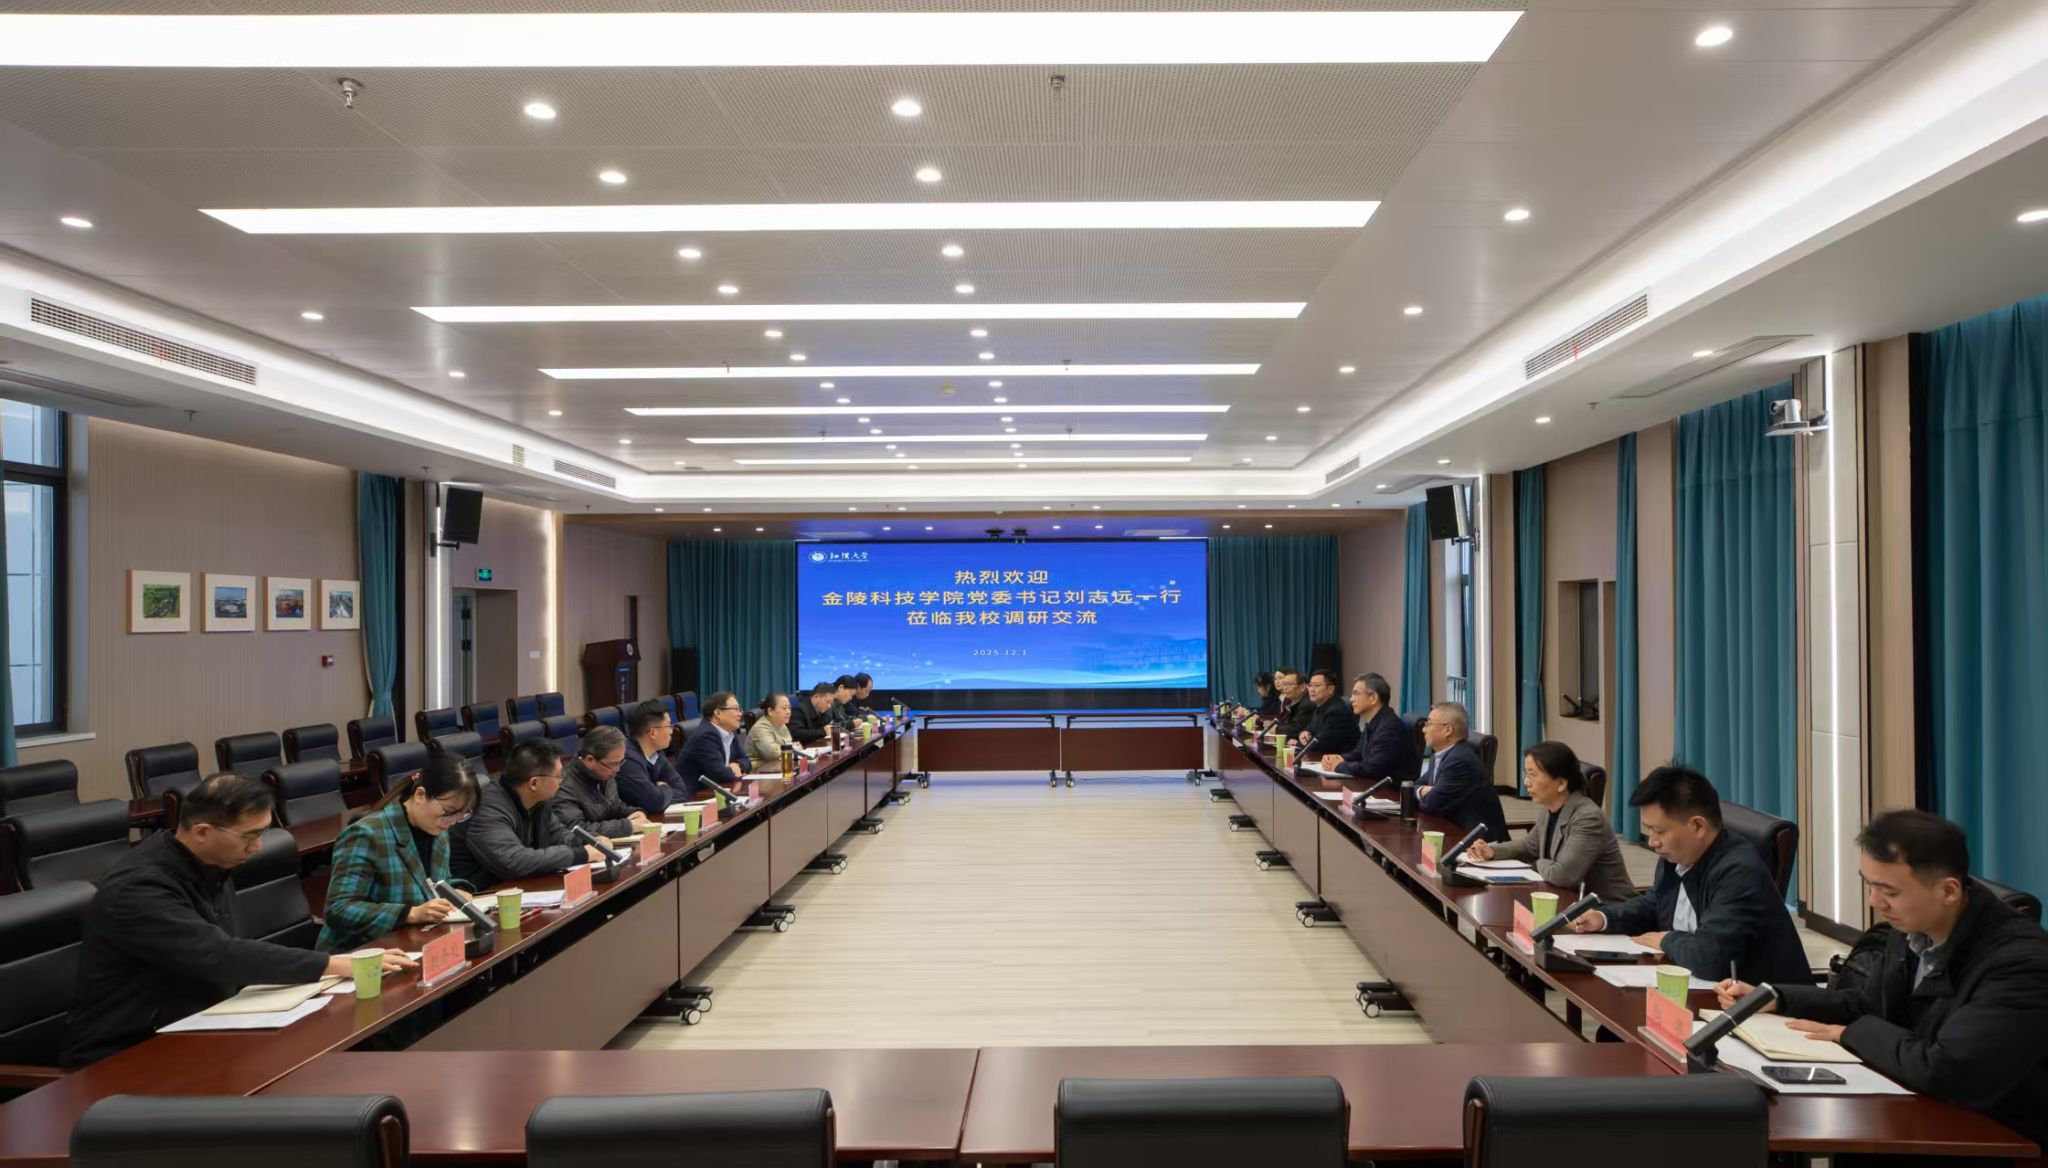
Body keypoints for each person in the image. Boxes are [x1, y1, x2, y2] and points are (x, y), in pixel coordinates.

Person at [1716, 811, 2048, 1150]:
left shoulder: (2021, 963)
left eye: (1888, 891)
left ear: (1948, 890)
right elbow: (1868, 1004)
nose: (1874, 902)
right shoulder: (1912, 927)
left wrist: (1849, 1034)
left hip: (1997, 1137)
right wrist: (1776, 998)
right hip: (1914, 1107)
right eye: (1869, 884)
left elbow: (1947, 1070)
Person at [62, 774, 415, 1067]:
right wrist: (335, 964)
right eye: (249, 836)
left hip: (202, 1022)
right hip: (128, 1051)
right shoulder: (139, 887)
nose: (258, 847)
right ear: (202, 831)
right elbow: (217, 954)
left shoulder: (211, 863)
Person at [1569, 764, 1810, 986]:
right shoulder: (1677, 856)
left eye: (1658, 831)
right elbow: (1654, 905)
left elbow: (1711, 957)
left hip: (1759, 1003)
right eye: (1649, 830)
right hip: (1696, 984)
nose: (1652, 841)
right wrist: (1603, 917)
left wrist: (1667, 941)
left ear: (1698, 826)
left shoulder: (1739, 872)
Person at [317, 753, 482, 953]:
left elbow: (430, 883)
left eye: (461, 815)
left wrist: (455, 891)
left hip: (411, 943)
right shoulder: (367, 834)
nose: (452, 822)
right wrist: (410, 913)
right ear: (420, 795)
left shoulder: (438, 831)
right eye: (448, 811)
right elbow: (338, 909)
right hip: (359, 953)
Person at [1465, 741, 1635, 904]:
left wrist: (1538, 863)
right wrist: (1493, 851)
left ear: (1561, 783)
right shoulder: (1550, 807)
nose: (1526, 782)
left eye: (1532, 775)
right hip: (1565, 899)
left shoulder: (1588, 818)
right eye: (1526, 774)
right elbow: (1530, 847)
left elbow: (1563, 875)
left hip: (1606, 909)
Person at [449, 740, 610, 887]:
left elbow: (557, 834)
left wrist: (589, 841)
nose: (562, 780)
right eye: (559, 775)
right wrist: (581, 854)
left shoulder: (539, 800)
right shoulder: (487, 809)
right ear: (534, 783)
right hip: (479, 893)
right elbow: (514, 862)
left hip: (517, 885)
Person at [1415, 702, 1508, 843]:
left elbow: (1431, 805)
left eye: (1429, 724)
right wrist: (1423, 791)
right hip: (1453, 832)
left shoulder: (1459, 761)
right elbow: (1414, 787)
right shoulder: (1440, 755)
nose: (1423, 730)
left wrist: (1425, 793)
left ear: (1447, 730)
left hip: (1478, 844)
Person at [551, 725, 648, 842]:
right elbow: (576, 830)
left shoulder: (605, 773)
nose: (617, 769)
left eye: (620, 762)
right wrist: (627, 826)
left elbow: (615, 807)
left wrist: (635, 813)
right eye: (613, 764)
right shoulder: (563, 786)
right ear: (590, 760)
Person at [1321, 672, 1418, 784]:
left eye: (1356, 694)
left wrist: (1339, 766)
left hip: (1388, 790)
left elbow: (1372, 768)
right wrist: (1339, 758)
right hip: (1372, 784)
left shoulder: (1390, 728)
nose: (1351, 699)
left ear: (1373, 698)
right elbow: (1359, 753)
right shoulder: (1375, 721)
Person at [677, 690, 752, 800]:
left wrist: (737, 765)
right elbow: (718, 773)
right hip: (696, 797)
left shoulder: (730, 731)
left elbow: (746, 761)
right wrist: (733, 771)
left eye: (740, 709)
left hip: (719, 790)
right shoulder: (705, 735)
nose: (740, 714)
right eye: (735, 709)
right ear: (718, 713)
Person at [616, 699, 683, 816]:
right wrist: (666, 788)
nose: (671, 731)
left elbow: (681, 791)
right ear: (653, 733)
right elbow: (654, 803)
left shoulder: (657, 754)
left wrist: (659, 793)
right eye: (669, 725)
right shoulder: (626, 760)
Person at [1297, 668, 1360, 757]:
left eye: (1317, 685)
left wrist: (1297, 743)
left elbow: (1319, 745)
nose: (1311, 689)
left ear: (1330, 689)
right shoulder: (1321, 705)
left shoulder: (1336, 711)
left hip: (1339, 760)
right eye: (1310, 685)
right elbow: (1311, 727)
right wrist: (1304, 732)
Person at [748, 691, 797, 768]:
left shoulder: (781, 724)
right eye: (784, 708)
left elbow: (788, 745)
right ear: (770, 711)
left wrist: (792, 748)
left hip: (776, 766)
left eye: (789, 708)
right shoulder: (761, 728)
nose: (788, 712)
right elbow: (773, 754)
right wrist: (794, 749)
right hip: (757, 770)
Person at [1270, 669, 1315, 740]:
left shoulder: (1307, 704)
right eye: (1284, 684)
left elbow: (1295, 728)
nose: (1285, 688)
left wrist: (1276, 729)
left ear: (1302, 687)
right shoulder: (1294, 702)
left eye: (1290, 684)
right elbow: (1288, 723)